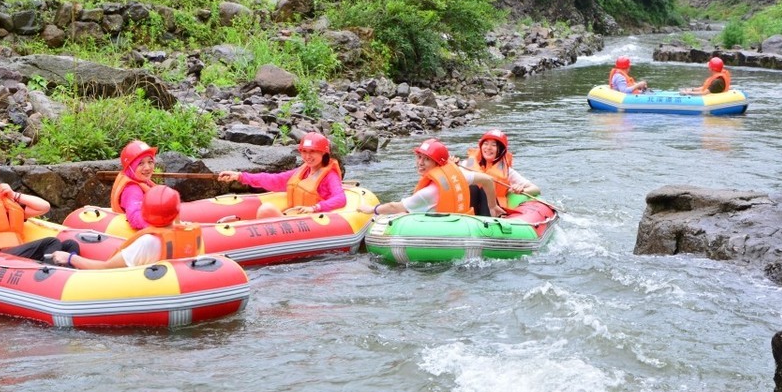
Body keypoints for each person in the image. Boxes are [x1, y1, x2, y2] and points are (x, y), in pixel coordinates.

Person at [51, 185, 201, 269]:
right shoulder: (189, 234)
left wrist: (71, 258)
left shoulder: (148, 242)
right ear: (176, 211)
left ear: (146, 212)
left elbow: (105, 269)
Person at [358, 139, 503, 217]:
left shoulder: (429, 193)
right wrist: (492, 206)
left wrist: (372, 209)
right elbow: (487, 180)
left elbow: (394, 207)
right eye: (419, 157)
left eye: (426, 159)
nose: (420, 163)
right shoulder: (458, 175)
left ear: (437, 163)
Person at [217, 132, 345, 218]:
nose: (307, 156)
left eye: (312, 152)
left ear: (324, 154)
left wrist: (315, 208)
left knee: (266, 209)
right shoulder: (303, 170)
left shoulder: (330, 176)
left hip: (314, 219)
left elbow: (340, 199)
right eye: (304, 151)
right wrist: (239, 176)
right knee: (266, 209)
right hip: (295, 217)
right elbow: (274, 180)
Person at [460, 129, 540, 211]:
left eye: (494, 145)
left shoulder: (507, 171)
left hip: (493, 209)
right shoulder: (469, 163)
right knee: (473, 187)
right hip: (469, 207)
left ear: (501, 150)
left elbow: (536, 189)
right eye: (485, 144)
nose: (488, 148)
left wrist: (521, 189)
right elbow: (458, 176)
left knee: (485, 189)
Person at [111, 140, 158, 230]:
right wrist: (161, 225)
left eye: (150, 162)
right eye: (140, 163)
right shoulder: (132, 190)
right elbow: (135, 216)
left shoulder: (144, 182)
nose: (147, 168)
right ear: (130, 167)